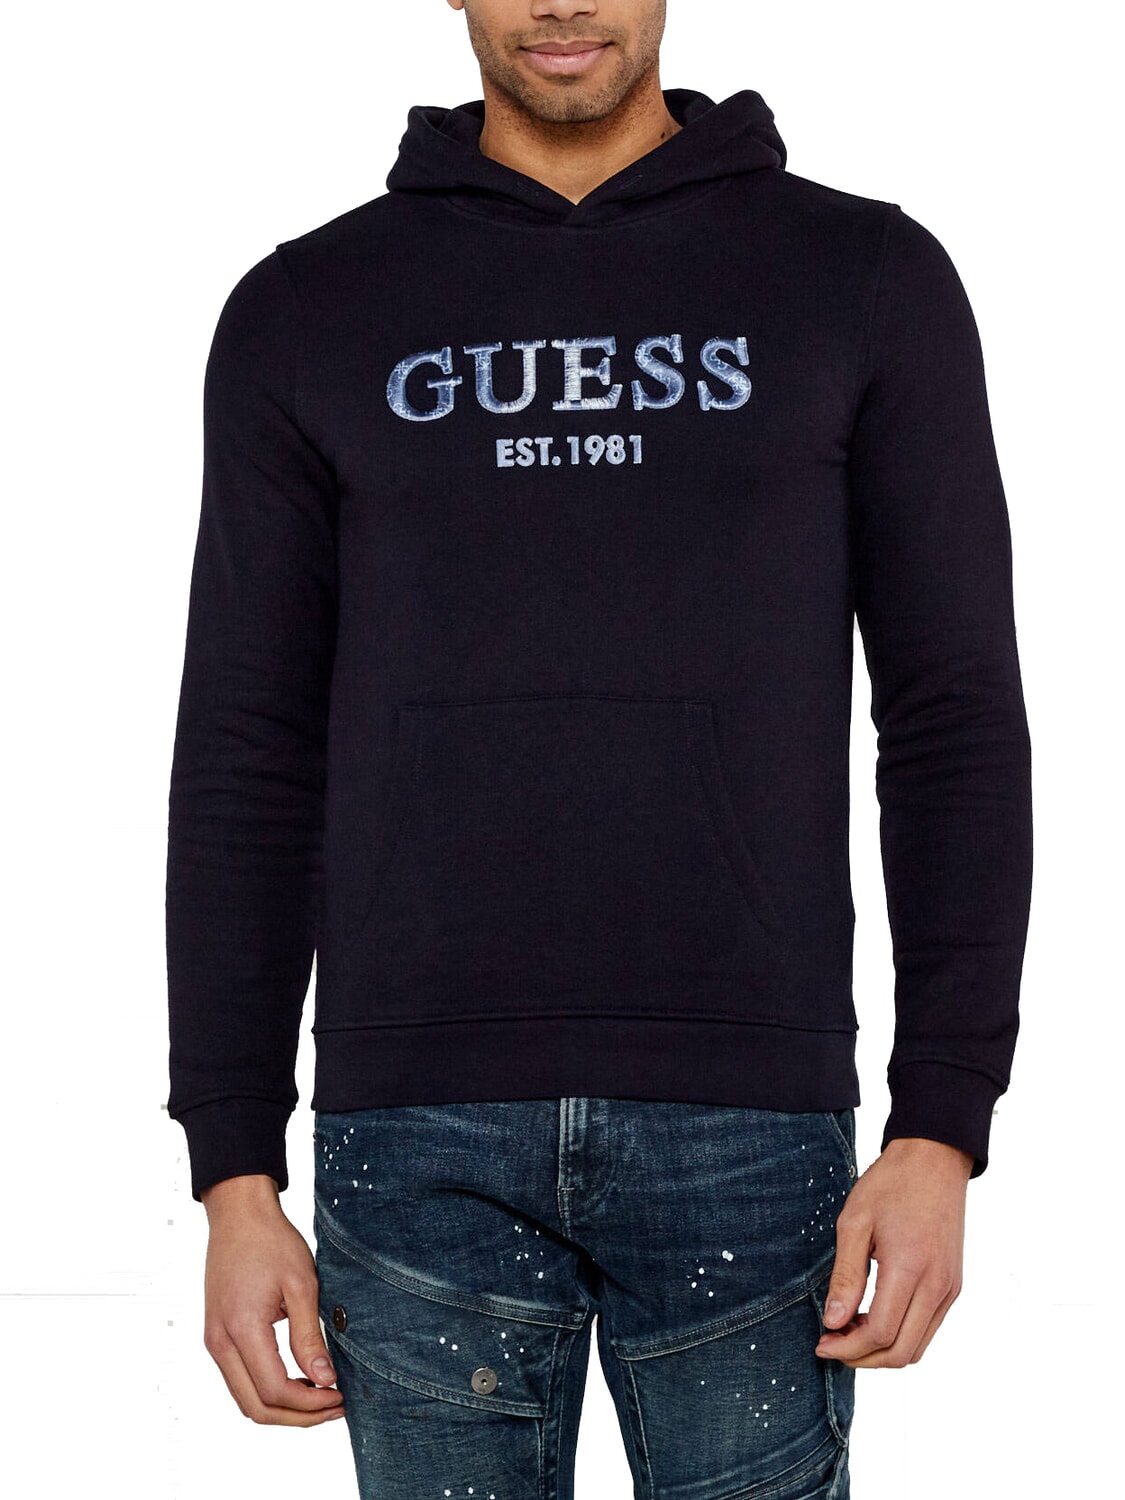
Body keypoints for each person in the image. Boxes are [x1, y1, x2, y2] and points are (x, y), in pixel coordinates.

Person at [165, 1, 1033, 1495]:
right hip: (413, 1126)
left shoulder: (862, 277)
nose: (560, 2)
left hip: (749, 1122)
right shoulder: (308, 306)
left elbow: (952, 714)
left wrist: (941, 1125)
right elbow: (249, 748)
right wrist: (232, 1170)